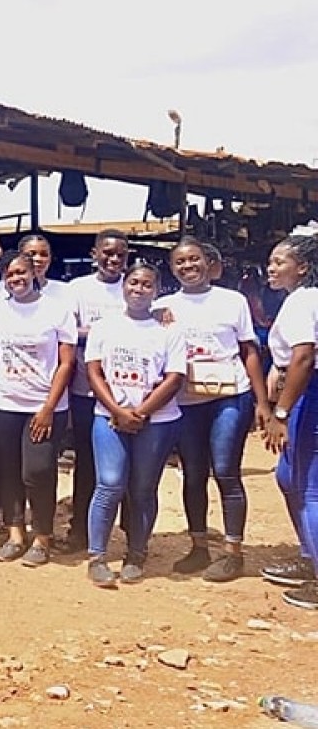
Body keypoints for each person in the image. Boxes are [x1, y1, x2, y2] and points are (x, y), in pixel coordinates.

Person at [157, 238, 267, 581]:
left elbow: (249, 351)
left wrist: (263, 402)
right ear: (172, 268)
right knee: (193, 473)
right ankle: (199, 546)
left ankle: (233, 552)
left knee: (225, 470)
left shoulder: (232, 301)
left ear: (209, 263)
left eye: (194, 259)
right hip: (186, 401)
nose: (188, 266)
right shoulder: (163, 307)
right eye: (180, 262)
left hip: (229, 395)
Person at [83, 262, 187, 587]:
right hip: (109, 417)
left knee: (143, 488)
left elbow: (174, 378)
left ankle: (137, 553)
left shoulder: (169, 330)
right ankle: (97, 557)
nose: (138, 289)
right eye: (133, 282)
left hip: (157, 421)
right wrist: (117, 410)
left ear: (157, 291)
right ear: (124, 286)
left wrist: (140, 413)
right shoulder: (105, 326)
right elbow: (94, 372)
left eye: (146, 284)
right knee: (109, 484)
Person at [0, 253, 77, 567]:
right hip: (5, 402)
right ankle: (15, 534)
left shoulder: (56, 310)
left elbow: (67, 362)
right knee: (8, 470)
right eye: (10, 274)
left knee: (38, 471)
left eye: (21, 272)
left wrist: (49, 407)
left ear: (34, 273)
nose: (17, 279)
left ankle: (42, 536)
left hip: (45, 405)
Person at [259, 233, 318, 608]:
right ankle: (310, 557)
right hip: (306, 391)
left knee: (307, 486)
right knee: (287, 476)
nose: (271, 268)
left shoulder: (302, 301)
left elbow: (304, 357)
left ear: (303, 268)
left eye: (279, 262)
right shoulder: (303, 299)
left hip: (310, 394)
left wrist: (280, 412)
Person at [62, 230, 129, 551]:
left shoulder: (134, 286)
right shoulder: (78, 289)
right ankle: (80, 529)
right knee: (87, 462)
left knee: (129, 464)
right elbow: (67, 331)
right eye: (107, 253)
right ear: (94, 254)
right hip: (84, 391)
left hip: (128, 395)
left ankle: (131, 533)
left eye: (120, 254)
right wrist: (111, 332)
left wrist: (95, 334)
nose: (113, 259)